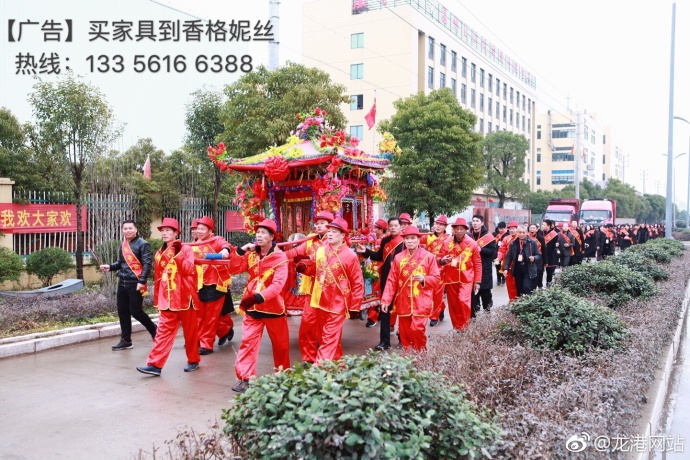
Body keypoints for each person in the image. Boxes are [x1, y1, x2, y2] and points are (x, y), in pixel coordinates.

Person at [227, 218, 290, 392]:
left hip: (273, 309)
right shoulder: (252, 254)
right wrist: (240, 251)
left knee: (281, 346)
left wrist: (257, 298)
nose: (259, 236)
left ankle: (283, 378)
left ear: (272, 237)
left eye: (263, 233)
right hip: (252, 309)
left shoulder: (280, 257)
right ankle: (245, 378)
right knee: (247, 343)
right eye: (257, 233)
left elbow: (277, 286)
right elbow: (233, 269)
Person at [136, 218, 200, 376]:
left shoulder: (185, 249)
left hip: (185, 297)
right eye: (162, 230)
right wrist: (157, 299)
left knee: (190, 332)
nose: (164, 233)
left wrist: (177, 254)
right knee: (163, 332)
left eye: (168, 230)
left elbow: (188, 270)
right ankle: (155, 365)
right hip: (167, 299)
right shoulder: (159, 253)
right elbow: (158, 278)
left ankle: (193, 360)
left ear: (176, 233)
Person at [297, 218, 364, 362]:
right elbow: (315, 269)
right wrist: (305, 267)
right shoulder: (321, 250)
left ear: (343, 235)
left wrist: (354, 306)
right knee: (324, 335)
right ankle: (338, 365)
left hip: (338, 302)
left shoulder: (350, 256)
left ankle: (319, 369)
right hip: (320, 299)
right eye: (330, 231)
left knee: (329, 336)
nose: (330, 234)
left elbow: (357, 282)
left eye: (334, 232)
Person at [283, 210, 333, 363]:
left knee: (326, 325)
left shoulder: (334, 241)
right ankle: (309, 358)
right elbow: (294, 251)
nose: (318, 226)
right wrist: (276, 255)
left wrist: (309, 259)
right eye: (317, 223)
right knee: (307, 323)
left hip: (328, 290)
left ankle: (327, 359)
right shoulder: (310, 241)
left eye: (322, 223)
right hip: (311, 290)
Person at [380, 225, 440, 351]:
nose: (410, 241)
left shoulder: (428, 257)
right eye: (407, 238)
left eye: (413, 238)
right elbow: (392, 280)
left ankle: (421, 355)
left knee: (417, 329)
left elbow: (436, 279)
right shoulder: (398, 258)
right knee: (405, 333)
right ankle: (408, 358)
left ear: (418, 240)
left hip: (421, 301)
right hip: (404, 300)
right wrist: (386, 300)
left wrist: (424, 279)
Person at [101, 219, 157, 351]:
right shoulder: (124, 244)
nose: (128, 231)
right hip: (122, 282)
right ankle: (126, 340)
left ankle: (154, 329)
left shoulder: (143, 244)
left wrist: (142, 281)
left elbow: (147, 264)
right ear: (122, 230)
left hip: (135, 283)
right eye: (125, 229)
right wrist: (110, 267)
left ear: (136, 229)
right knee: (123, 312)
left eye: (130, 228)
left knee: (136, 312)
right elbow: (121, 263)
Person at [187, 216, 234, 355]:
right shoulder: (192, 245)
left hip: (215, 283)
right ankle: (225, 330)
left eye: (202, 229)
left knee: (211, 316)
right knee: (200, 315)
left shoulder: (216, 240)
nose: (199, 231)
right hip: (198, 284)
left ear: (210, 231)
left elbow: (227, 246)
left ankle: (207, 344)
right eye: (198, 229)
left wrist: (225, 250)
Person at [356, 217, 405, 350]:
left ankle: (403, 339)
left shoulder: (405, 241)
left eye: (396, 225)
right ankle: (385, 341)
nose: (393, 228)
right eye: (391, 225)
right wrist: (365, 251)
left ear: (401, 227)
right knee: (384, 310)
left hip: (402, 280)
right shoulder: (385, 240)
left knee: (402, 309)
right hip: (387, 279)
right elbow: (379, 256)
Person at [438, 218, 481, 330]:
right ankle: (457, 327)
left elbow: (477, 263)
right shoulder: (446, 243)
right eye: (457, 228)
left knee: (463, 301)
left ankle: (465, 326)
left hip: (467, 278)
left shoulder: (472, 243)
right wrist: (442, 260)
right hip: (451, 278)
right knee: (453, 304)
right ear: (453, 229)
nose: (459, 231)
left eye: (462, 229)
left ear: (466, 230)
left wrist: (477, 281)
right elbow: (439, 258)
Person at [420, 215, 451, 326]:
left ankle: (434, 316)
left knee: (437, 293)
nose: (438, 226)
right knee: (429, 292)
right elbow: (421, 251)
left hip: (441, 269)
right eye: (437, 224)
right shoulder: (426, 237)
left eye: (441, 225)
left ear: (445, 226)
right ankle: (441, 307)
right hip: (428, 268)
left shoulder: (449, 238)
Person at [470, 215, 497, 317]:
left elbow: (493, 253)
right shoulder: (469, 235)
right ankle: (473, 313)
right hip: (472, 268)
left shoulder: (488, 237)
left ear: (482, 223)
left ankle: (487, 310)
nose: (475, 223)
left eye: (477, 221)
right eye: (473, 221)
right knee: (473, 294)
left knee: (485, 293)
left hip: (485, 268)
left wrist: (481, 250)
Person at [504, 225, 541, 297]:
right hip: (517, 268)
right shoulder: (513, 243)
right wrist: (506, 268)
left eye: (523, 232)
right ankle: (520, 302)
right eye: (520, 232)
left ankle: (528, 301)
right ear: (517, 233)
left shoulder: (532, 242)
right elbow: (509, 257)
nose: (521, 234)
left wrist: (534, 258)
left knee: (527, 287)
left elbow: (538, 255)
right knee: (519, 288)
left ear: (527, 233)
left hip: (528, 268)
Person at [365, 219, 388, 328]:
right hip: (372, 269)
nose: (374, 230)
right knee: (372, 293)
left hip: (378, 271)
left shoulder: (384, 241)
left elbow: (380, 257)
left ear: (381, 230)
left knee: (375, 293)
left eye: (376, 228)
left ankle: (373, 317)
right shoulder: (375, 240)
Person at [495, 221, 519, 301]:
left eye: (514, 228)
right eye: (510, 229)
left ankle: (519, 299)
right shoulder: (506, 238)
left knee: (518, 282)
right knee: (509, 282)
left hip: (518, 264)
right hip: (508, 263)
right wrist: (498, 258)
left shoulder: (520, 237)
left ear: (517, 229)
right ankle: (511, 299)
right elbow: (501, 250)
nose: (512, 230)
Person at [541, 219, 559, 287]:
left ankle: (548, 286)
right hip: (541, 256)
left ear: (548, 226)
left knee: (549, 272)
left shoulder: (554, 234)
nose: (542, 226)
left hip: (550, 256)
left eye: (544, 225)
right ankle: (540, 286)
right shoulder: (540, 233)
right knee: (540, 272)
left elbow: (556, 245)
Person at [528, 223, 545, 289]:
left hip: (539, 258)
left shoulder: (541, 238)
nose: (532, 229)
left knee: (539, 272)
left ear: (537, 229)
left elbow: (544, 249)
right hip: (529, 258)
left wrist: (545, 261)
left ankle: (540, 286)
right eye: (531, 228)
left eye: (533, 228)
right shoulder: (526, 237)